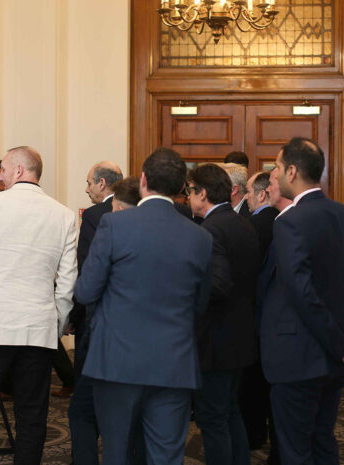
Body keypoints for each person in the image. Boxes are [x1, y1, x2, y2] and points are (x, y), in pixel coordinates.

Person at [74, 147, 213, 464]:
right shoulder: (200, 237)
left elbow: (85, 291)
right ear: (182, 187)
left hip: (117, 362)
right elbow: (200, 303)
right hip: (174, 363)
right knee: (166, 456)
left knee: (117, 453)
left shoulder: (114, 225)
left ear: (144, 180)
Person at [0, 146, 77, 465]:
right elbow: (67, 283)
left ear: (19, 170)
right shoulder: (64, 215)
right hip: (38, 329)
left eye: (4, 170)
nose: (1, 177)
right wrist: (55, 325)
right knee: (32, 418)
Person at [260, 137, 344, 465]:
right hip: (336, 357)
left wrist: (340, 345)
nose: (275, 174)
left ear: (292, 172)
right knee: (323, 440)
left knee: (295, 449)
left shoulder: (290, 221)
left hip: (297, 356)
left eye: (277, 167)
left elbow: (301, 293)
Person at [69, 174, 146, 465]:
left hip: (106, 340)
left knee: (85, 411)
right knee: (137, 418)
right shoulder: (164, 234)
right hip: (148, 345)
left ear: (120, 208)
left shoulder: (108, 228)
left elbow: (86, 288)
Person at [187, 164, 259, 465]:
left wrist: (187, 296)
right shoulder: (243, 223)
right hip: (240, 336)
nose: (188, 197)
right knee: (229, 411)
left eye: (190, 191)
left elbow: (217, 284)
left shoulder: (211, 230)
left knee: (212, 418)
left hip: (215, 341)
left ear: (203, 193)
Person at [68, 162, 123, 465]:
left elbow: (87, 270)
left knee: (84, 403)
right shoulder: (140, 212)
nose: (86, 188)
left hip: (98, 322)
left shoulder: (94, 216)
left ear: (102, 184)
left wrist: (74, 317)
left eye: (89, 182)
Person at [239, 170, 283, 463]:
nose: (246, 198)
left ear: (262, 194)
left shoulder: (255, 225)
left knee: (254, 385)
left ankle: (254, 435)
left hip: (255, 315)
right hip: (273, 319)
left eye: (249, 191)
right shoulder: (278, 221)